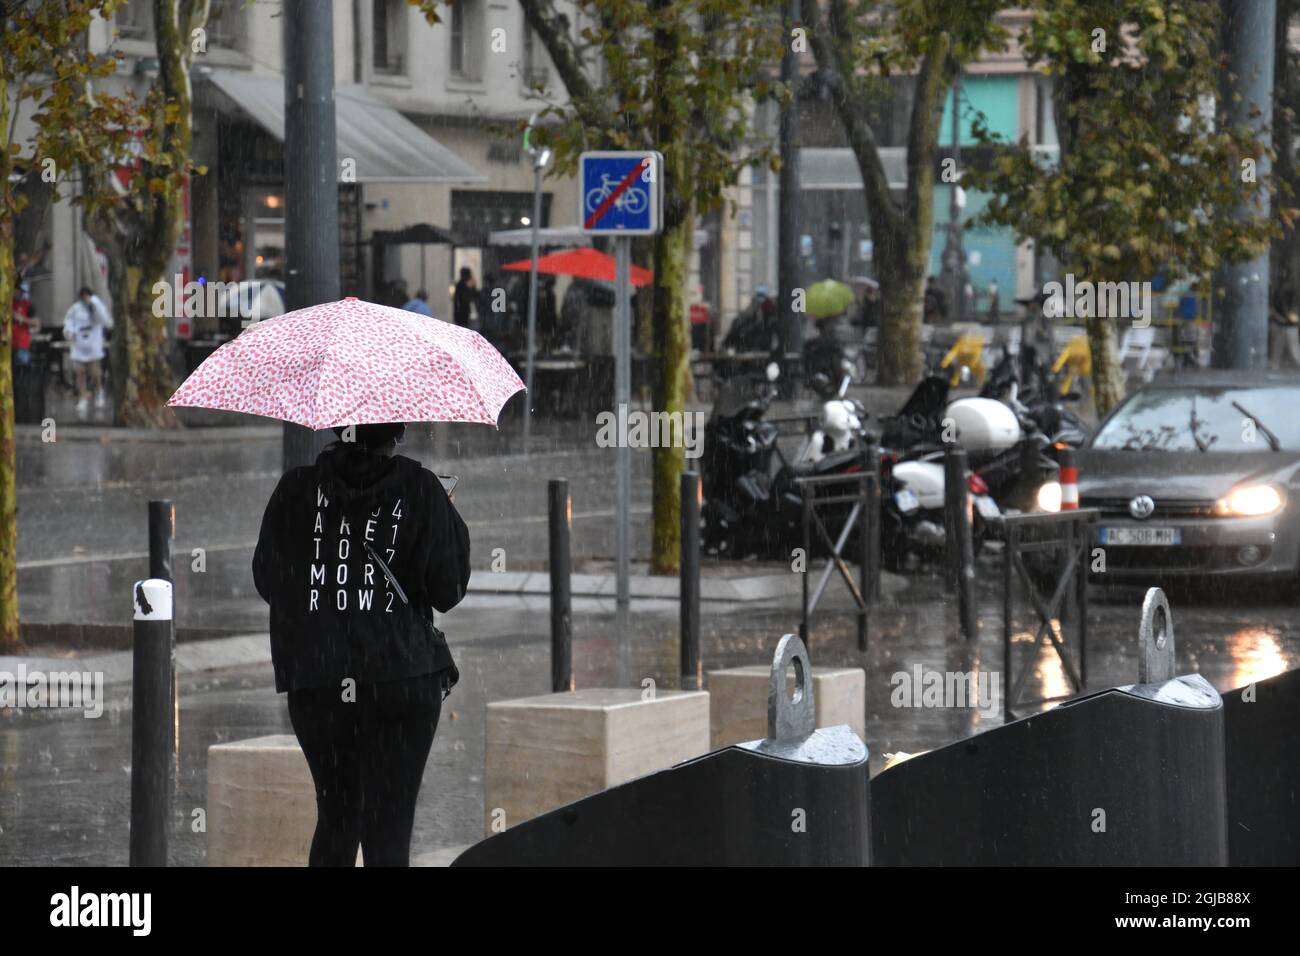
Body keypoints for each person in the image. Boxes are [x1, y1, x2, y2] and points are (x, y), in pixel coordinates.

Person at [252, 422, 470, 866]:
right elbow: (448, 588)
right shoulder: (420, 489)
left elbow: (268, 579)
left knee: (337, 816)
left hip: (318, 680)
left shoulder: (295, 489)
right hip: (401, 677)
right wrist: (444, 520)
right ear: (400, 430)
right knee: (389, 826)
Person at [62, 286, 113, 419]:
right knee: (80, 373)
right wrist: (69, 331)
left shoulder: (97, 306)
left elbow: (105, 320)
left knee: (95, 373)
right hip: (79, 345)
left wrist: (94, 304)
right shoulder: (75, 309)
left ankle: (99, 392)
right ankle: (83, 396)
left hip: (93, 346)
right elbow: (68, 322)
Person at [11, 281, 38, 366]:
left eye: (17, 291)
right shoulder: (7, 304)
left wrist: (22, 319)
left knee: (22, 366)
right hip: (8, 341)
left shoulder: (27, 304)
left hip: (22, 342)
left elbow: (36, 322)